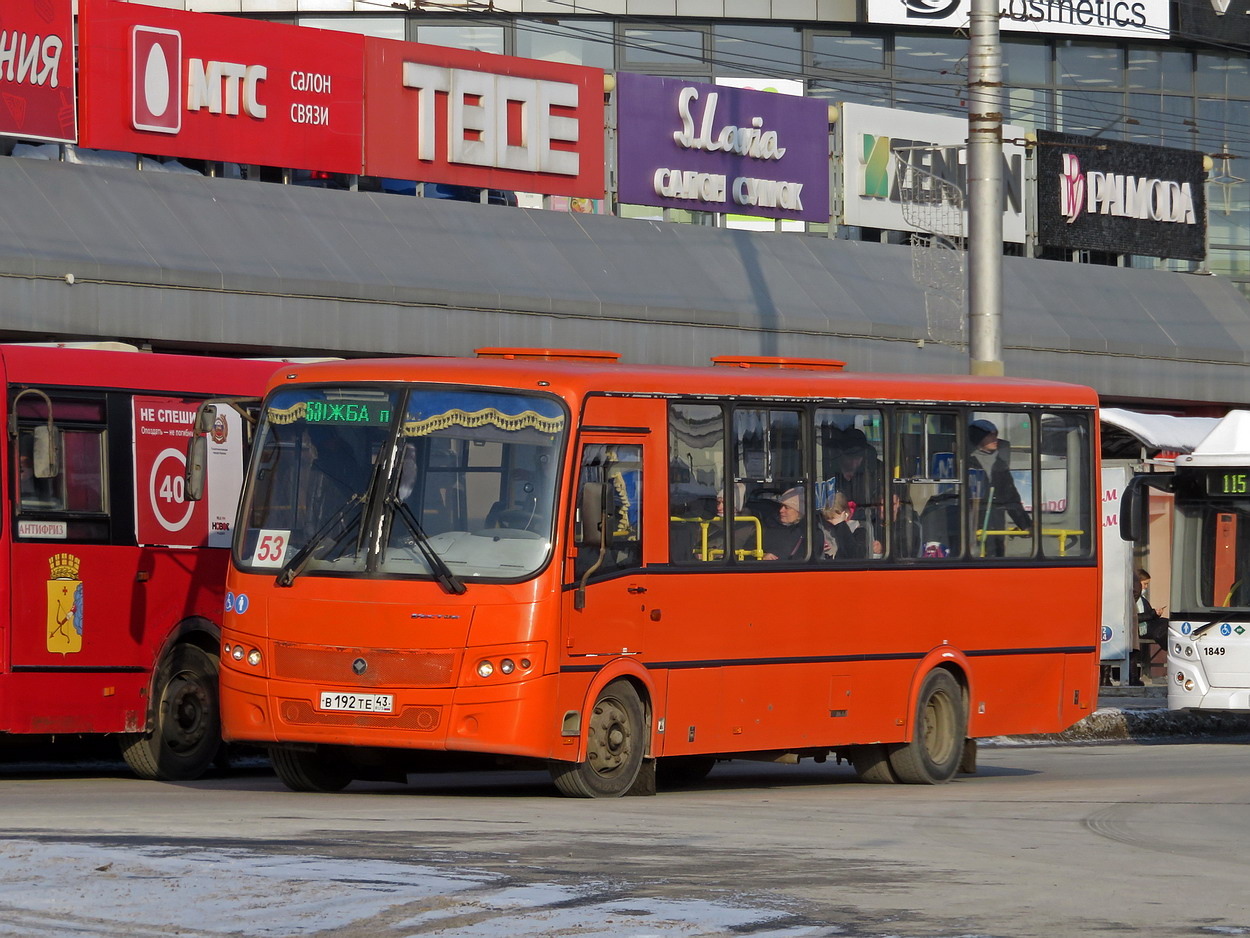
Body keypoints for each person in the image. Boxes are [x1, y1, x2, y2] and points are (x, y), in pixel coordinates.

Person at [967, 419, 1031, 557]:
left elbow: (1011, 497)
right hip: (971, 525)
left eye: (996, 435)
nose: (995, 439)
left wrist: (1025, 524)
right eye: (990, 435)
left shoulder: (1000, 463)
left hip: (996, 525)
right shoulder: (966, 462)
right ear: (979, 438)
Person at [762, 486, 806, 560]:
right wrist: (762, 556)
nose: (781, 510)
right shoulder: (767, 526)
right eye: (781, 506)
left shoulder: (809, 532)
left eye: (786, 507)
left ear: (799, 512)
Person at [819, 492, 865, 560]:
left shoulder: (858, 529)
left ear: (844, 514)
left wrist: (841, 525)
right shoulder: (823, 527)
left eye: (833, 518)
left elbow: (854, 555)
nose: (830, 522)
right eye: (827, 519)